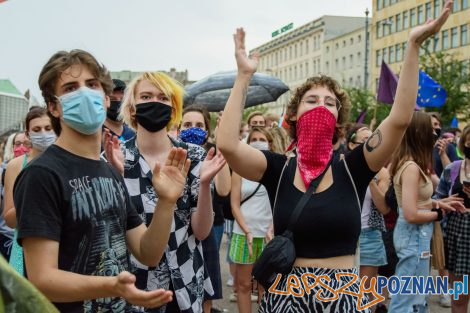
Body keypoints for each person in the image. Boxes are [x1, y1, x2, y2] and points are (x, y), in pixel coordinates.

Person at [216, 5, 454, 311]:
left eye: (329, 103)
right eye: (311, 100)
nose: (320, 106)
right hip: (284, 297)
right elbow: (228, 144)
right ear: (293, 115)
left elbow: (398, 119)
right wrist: (243, 76)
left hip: (340, 297)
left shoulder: (354, 168)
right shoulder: (278, 168)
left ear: (338, 120)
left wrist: (413, 46)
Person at [14, 49, 186, 312]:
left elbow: (147, 252)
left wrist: (166, 202)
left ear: (106, 99)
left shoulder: (108, 171)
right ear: (54, 107)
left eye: (92, 84)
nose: (84, 93)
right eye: (71, 88)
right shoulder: (42, 174)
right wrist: (111, 286)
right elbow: (42, 278)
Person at [112, 71, 226, 313]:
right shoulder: (116, 158)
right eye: (146, 96)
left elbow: (203, 232)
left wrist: (205, 185)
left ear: (173, 108)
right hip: (135, 287)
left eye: (163, 98)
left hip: (185, 282)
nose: (155, 102)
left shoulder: (193, 156)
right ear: (132, 108)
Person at [388, 111, 464, 312]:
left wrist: (443, 202)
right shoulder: (411, 167)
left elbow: (419, 201)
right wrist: (438, 213)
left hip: (417, 236)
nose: (435, 133)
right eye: (431, 129)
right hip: (414, 236)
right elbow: (412, 214)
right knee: (406, 301)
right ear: (419, 133)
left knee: (417, 298)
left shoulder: (411, 163)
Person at [179, 104, 231, 313]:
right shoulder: (172, 153)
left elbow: (224, 189)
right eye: (188, 124)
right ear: (178, 127)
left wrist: (221, 144)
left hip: (208, 229)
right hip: (179, 232)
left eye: (199, 125)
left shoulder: (212, 154)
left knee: (206, 296)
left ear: (207, 131)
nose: (193, 128)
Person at [3, 107, 55, 275]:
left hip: (61, 249)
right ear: (27, 133)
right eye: (37, 129)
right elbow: (10, 219)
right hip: (25, 250)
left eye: (48, 128)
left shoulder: (67, 161)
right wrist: (34, 198)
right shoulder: (16, 165)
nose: (43, 134)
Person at [346, 124, 390, 312]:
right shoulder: (340, 167)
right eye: (365, 141)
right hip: (344, 237)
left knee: (365, 295)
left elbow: (384, 208)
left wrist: (369, 178)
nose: (370, 144)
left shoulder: (381, 172)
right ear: (351, 145)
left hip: (369, 236)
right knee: (345, 294)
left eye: (373, 140)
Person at [230, 127, 273, 313]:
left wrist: (272, 228)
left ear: (269, 143)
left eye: (262, 138)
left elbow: (280, 202)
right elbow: (234, 204)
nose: (258, 141)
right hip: (243, 234)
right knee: (244, 285)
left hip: (267, 236)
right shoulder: (239, 170)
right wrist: (247, 230)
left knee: (265, 285)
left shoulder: (276, 168)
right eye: (254, 138)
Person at [434, 124, 470, 313]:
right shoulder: (453, 169)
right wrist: (446, 203)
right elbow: (437, 200)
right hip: (457, 236)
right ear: (464, 143)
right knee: (459, 298)